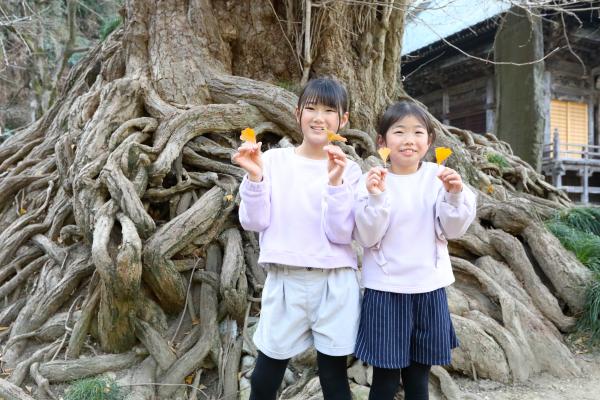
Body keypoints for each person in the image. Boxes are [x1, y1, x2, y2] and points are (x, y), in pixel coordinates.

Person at [234, 78, 362, 400]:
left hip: (335, 284)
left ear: (343, 120)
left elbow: (342, 233)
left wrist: (335, 184)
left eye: (330, 110)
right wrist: (254, 177)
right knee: (265, 376)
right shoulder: (274, 162)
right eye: (312, 108)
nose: (319, 117)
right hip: (285, 280)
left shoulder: (351, 170)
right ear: (297, 113)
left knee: (334, 378)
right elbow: (254, 221)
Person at [353, 101, 477, 400]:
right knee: (384, 377)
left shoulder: (440, 177)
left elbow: (454, 229)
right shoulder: (370, 181)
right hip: (384, 290)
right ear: (382, 141)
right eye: (399, 132)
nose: (409, 140)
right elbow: (367, 237)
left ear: (430, 141)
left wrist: (455, 195)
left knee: (419, 376)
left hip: (428, 288)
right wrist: (376, 197)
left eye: (418, 132)